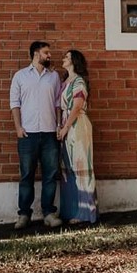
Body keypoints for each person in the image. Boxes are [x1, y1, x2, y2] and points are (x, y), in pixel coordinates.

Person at [9, 40, 63, 229]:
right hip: (27, 134)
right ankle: (24, 215)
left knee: (50, 175)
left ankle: (49, 213)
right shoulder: (20, 76)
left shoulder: (54, 76)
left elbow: (58, 103)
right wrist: (18, 127)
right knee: (26, 176)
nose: (49, 56)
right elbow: (14, 103)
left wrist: (58, 124)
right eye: (46, 52)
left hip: (49, 134)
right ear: (36, 54)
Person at [56, 49, 97, 225]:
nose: (63, 59)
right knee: (68, 168)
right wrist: (60, 126)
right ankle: (71, 210)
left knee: (81, 166)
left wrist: (65, 127)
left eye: (66, 57)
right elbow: (60, 106)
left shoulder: (79, 81)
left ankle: (85, 213)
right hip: (66, 126)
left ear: (74, 61)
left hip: (77, 126)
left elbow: (77, 106)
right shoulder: (65, 81)